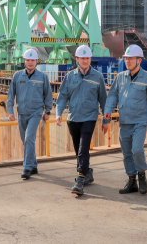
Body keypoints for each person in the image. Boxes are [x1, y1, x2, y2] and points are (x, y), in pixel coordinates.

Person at [103, 44, 147, 195]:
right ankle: (132, 180)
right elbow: (113, 95)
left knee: (137, 150)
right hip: (124, 122)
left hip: (140, 121)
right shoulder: (120, 77)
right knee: (127, 153)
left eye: (130, 59)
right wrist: (108, 111)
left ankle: (142, 176)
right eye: (126, 59)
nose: (127, 61)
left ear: (139, 60)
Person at [55, 45, 108, 195]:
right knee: (79, 149)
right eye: (82, 58)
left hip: (90, 117)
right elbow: (62, 97)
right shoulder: (70, 76)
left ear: (90, 59)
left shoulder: (97, 77)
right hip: (73, 118)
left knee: (83, 148)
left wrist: (105, 120)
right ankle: (87, 172)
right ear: (77, 59)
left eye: (87, 58)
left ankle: (79, 180)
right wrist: (59, 113)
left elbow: (104, 99)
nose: (85, 61)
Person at [6, 48, 53, 180]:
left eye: (32, 60)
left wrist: (47, 111)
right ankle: (34, 165)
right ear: (24, 61)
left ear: (36, 61)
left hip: (36, 112)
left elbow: (48, 95)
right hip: (21, 113)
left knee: (29, 139)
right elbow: (11, 95)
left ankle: (27, 168)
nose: (30, 63)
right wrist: (10, 110)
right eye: (28, 60)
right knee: (25, 141)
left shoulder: (42, 77)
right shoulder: (17, 76)